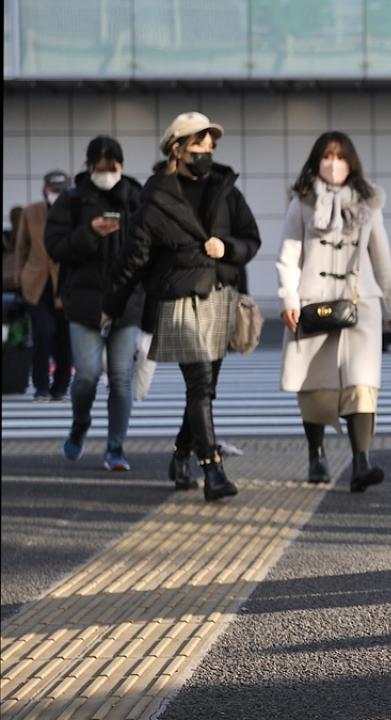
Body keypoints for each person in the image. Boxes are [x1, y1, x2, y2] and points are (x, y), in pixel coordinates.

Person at [106, 111, 262, 501]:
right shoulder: (154, 199)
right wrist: (112, 305)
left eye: (210, 145)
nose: (206, 151)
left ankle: (180, 455)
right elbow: (133, 259)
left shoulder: (225, 188)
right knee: (200, 384)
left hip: (220, 296)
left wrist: (227, 248)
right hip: (177, 300)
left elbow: (251, 238)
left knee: (205, 390)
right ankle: (212, 468)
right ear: (177, 148)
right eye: (198, 144)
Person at [277, 131, 391, 492]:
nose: (334, 164)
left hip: (360, 304)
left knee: (361, 384)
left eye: (340, 157)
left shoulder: (368, 203)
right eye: (327, 157)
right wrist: (289, 300)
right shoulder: (301, 202)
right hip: (311, 305)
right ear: (316, 162)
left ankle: (361, 461)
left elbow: (382, 259)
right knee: (314, 385)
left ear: (352, 163)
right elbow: (288, 257)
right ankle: (316, 456)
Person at [44, 136, 145, 469]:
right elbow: (55, 247)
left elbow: (147, 246)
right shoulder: (72, 201)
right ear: (88, 167)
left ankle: (115, 448)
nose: (106, 175)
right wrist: (90, 232)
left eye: (111, 168)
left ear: (121, 166)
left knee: (120, 377)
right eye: (99, 169)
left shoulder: (135, 197)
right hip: (84, 301)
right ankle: (80, 424)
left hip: (126, 301)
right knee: (86, 375)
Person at [15, 170, 72, 402]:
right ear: (45, 189)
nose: (56, 194)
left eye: (61, 190)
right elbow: (22, 247)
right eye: (53, 190)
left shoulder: (75, 211)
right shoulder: (31, 212)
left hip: (66, 283)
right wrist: (20, 277)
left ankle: (60, 386)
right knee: (43, 331)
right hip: (36, 283)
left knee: (64, 336)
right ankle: (41, 386)